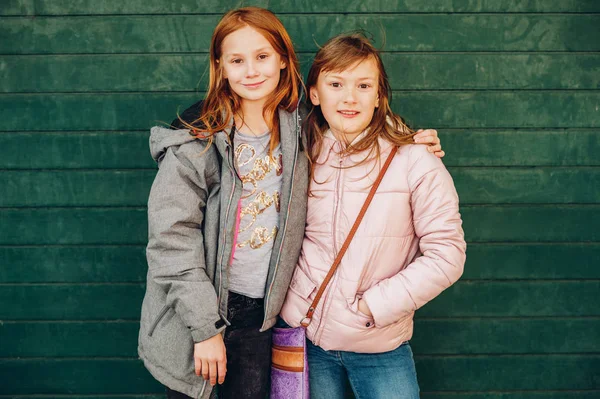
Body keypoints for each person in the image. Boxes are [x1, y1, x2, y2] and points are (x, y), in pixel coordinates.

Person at [137, 7, 445, 399]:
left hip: (261, 317)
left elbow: (352, 117)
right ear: (221, 66)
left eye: (262, 57)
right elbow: (170, 239)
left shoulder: (303, 126)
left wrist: (404, 136)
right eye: (237, 60)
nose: (251, 70)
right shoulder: (196, 140)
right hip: (195, 312)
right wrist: (203, 329)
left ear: (282, 59)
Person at [280, 33, 467, 399]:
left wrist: (373, 306)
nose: (350, 97)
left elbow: (448, 254)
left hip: (378, 345)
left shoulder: (416, 160)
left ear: (379, 95)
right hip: (305, 340)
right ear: (315, 94)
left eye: (364, 85)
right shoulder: (300, 151)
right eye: (336, 84)